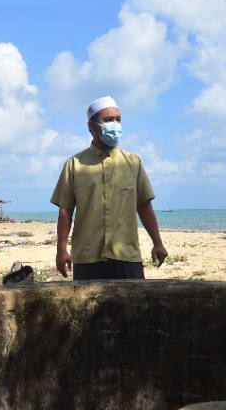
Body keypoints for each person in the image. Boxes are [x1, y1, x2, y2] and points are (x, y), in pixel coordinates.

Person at [51, 96, 167, 279]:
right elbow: (66, 210)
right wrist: (61, 250)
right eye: (108, 120)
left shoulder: (133, 163)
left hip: (127, 257)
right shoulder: (74, 165)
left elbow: (144, 206)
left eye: (118, 119)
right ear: (91, 126)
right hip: (87, 258)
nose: (115, 124)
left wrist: (157, 243)